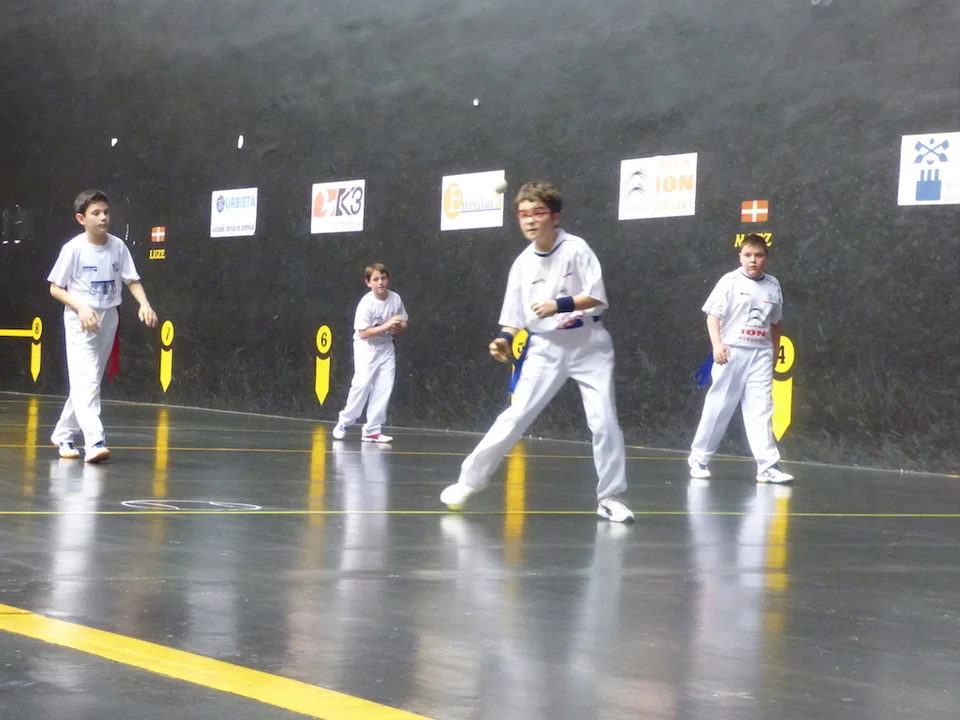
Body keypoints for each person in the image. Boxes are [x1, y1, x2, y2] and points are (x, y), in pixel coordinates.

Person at [440, 181, 634, 523]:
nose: (530, 220)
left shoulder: (577, 249)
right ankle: (467, 483)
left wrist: (558, 304)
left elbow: (597, 297)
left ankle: (610, 497)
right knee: (515, 416)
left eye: (538, 213)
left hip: (589, 345)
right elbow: (513, 318)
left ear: (554, 217)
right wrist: (503, 339)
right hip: (545, 348)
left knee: (604, 422)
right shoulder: (521, 264)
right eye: (523, 215)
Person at [47, 189, 158, 462]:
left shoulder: (118, 246)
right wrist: (81, 307)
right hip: (80, 319)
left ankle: (64, 433)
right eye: (95, 213)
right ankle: (94, 442)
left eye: (106, 212)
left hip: (109, 318)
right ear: (81, 218)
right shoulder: (73, 249)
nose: (103, 218)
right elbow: (55, 288)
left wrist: (144, 304)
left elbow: (132, 280)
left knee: (90, 380)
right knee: (87, 380)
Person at [687, 233, 794, 484]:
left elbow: (775, 324)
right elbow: (713, 316)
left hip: (761, 354)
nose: (752, 260)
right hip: (732, 352)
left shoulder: (773, 285)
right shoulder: (730, 281)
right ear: (740, 257)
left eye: (758, 255)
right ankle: (699, 458)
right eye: (747, 255)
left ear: (766, 258)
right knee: (720, 405)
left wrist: (773, 354)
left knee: (762, 409)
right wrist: (717, 346)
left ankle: (767, 466)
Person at [332, 263, 408, 443]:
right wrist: (387, 325)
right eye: (376, 279)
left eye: (383, 278)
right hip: (366, 347)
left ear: (388, 279)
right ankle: (344, 422)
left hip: (386, 348)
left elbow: (404, 323)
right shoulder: (366, 304)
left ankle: (372, 430)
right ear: (368, 283)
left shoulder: (395, 298)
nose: (380, 282)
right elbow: (363, 334)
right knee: (361, 385)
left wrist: (399, 327)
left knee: (384, 387)